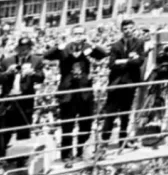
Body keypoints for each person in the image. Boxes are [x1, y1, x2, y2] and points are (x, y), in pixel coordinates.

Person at [44, 25, 109, 164]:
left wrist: (92, 44)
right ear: (71, 34)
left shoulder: (88, 48)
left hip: (84, 92)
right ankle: (66, 155)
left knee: (85, 125)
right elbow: (47, 55)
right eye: (75, 33)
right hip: (68, 92)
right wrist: (60, 45)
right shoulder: (65, 48)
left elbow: (104, 54)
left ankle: (80, 151)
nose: (78, 36)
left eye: (80, 33)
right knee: (67, 126)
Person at [0, 33, 45, 163]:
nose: (23, 50)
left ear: (30, 48)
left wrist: (32, 73)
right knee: (3, 133)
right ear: (17, 48)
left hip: (25, 101)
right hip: (8, 101)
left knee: (24, 132)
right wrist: (8, 73)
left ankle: (20, 160)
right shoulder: (7, 61)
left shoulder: (36, 61)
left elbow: (41, 78)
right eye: (21, 48)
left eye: (26, 48)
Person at [100, 18, 145, 148]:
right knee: (111, 114)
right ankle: (104, 142)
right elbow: (112, 64)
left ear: (134, 29)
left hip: (130, 83)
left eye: (131, 28)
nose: (128, 31)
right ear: (122, 30)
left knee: (126, 114)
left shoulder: (139, 43)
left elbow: (140, 61)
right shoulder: (115, 46)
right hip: (116, 84)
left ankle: (122, 141)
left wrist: (123, 61)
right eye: (125, 29)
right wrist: (130, 61)